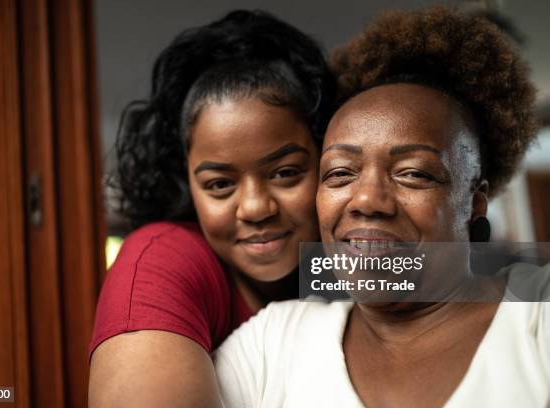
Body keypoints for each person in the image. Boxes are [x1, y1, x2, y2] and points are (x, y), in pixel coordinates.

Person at [214, 6, 549, 407]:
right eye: (339, 173)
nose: (367, 200)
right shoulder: (271, 347)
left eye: (414, 173)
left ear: (474, 201)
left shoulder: (537, 316)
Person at [88, 9, 336, 407]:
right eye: (220, 184)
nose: (255, 208)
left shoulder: (346, 258)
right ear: (185, 182)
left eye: (286, 172)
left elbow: (463, 276)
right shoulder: (162, 257)